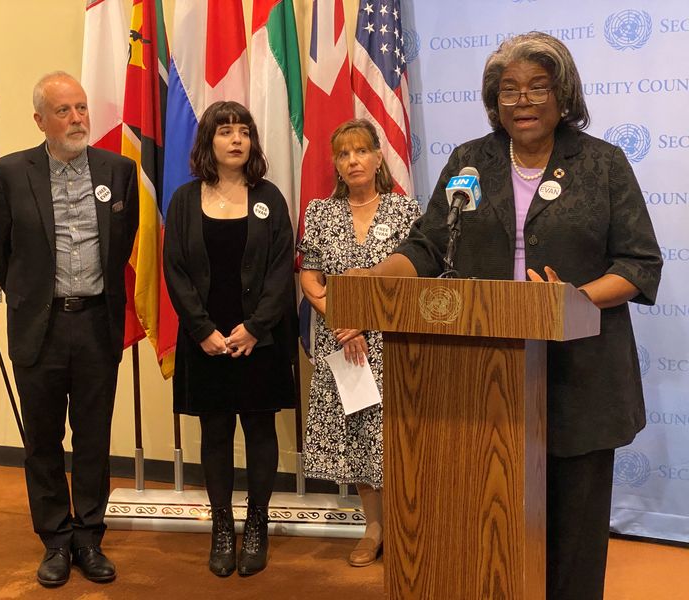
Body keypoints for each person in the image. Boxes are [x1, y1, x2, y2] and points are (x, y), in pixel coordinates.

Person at [358, 33, 662, 600]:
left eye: (536, 87)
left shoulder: (601, 163)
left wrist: (574, 299)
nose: (522, 100)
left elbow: (640, 264)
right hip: (481, 382)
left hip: (581, 375)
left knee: (572, 538)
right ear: (494, 102)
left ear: (563, 95)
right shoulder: (470, 161)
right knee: (490, 527)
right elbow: (427, 249)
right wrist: (376, 279)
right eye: (508, 90)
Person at [0, 71, 139, 588]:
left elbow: (125, 241)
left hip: (96, 322)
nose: (77, 119)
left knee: (93, 438)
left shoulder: (117, 171)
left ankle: (89, 538)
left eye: (81, 108)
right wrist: (32, 299)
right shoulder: (8, 173)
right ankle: (54, 540)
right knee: (43, 441)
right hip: (40, 327)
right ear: (39, 120)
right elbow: (0, 253)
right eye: (64, 110)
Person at [164, 100, 296, 578]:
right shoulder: (183, 200)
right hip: (206, 342)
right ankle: (222, 528)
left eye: (243, 131)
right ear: (208, 142)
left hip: (259, 338)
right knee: (215, 433)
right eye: (225, 132)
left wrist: (254, 327)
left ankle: (256, 524)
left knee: (261, 432)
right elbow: (175, 270)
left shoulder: (270, 198)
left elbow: (283, 269)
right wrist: (203, 331)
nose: (236, 139)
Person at [297, 119, 420, 567]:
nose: (353, 161)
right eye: (344, 154)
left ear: (377, 156)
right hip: (342, 346)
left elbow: (415, 277)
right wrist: (343, 317)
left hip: (391, 344)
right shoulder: (320, 212)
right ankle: (372, 528)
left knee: (393, 437)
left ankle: (405, 527)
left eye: (361, 151)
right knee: (357, 438)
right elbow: (310, 274)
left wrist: (368, 320)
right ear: (335, 163)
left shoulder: (406, 212)